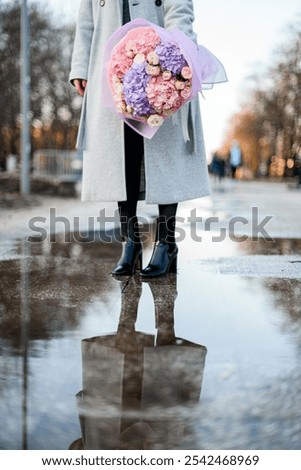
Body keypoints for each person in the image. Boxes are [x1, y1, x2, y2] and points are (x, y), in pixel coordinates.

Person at [69, 0, 210, 277]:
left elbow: (179, 8)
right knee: (124, 154)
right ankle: (130, 243)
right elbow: (86, 20)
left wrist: (178, 53)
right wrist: (81, 67)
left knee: (163, 155)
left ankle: (166, 244)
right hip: (109, 67)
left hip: (159, 63)